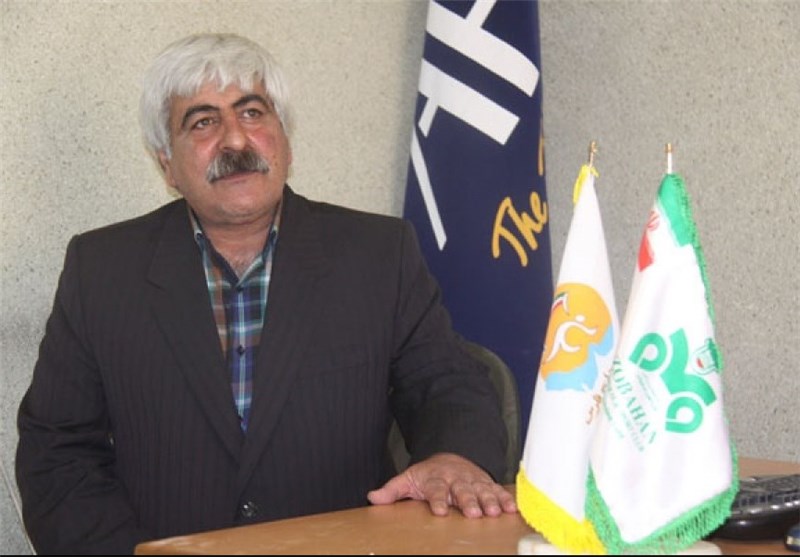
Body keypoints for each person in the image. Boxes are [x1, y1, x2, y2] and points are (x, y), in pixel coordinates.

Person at [15, 32, 517, 554]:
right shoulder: (101, 271)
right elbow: (57, 452)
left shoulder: (378, 255)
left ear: (285, 141)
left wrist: (453, 458)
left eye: (252, 113)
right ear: (166, 163)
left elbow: (446, 384)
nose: (235, 141)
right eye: (203, 122)